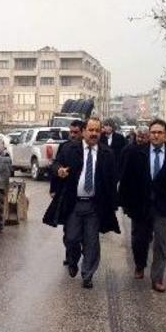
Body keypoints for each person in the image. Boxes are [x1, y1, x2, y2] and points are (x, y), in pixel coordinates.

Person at [43, 117, 120, 289]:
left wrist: (113, 204)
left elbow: (112, 180)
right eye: (90, 130)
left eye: (97, 131)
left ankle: (88, 275)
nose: (94, 134)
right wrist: (59, 171)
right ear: (84, 131)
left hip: (94, 205)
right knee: (71, 238)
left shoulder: (107, 153)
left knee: (92, 241)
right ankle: (72, 259)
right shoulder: (69, 149)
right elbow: (55, 164)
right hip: (74, 203)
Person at [118, 119, 166, 292]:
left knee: (161, 242)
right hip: (140, 204)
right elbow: (127, 179)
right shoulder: (136, 153)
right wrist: (124, 202)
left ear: (165, 135)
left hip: (163, 206)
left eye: (159, 132)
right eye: (153, 132)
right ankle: (140, 264)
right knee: (139, 239)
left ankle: (157, 278)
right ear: (149, 134)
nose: (156, 135)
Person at [50, 119, 85, 270]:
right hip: (68, 195)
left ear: (83, 132)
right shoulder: (64, 147)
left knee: (85, 233)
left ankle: (83, 258)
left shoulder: (91, 149)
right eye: (70, 132)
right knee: (69, 231)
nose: (72, 135)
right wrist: (57, 174)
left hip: (87, 197)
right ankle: (71, 255)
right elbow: (56, 164)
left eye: (75, 132)